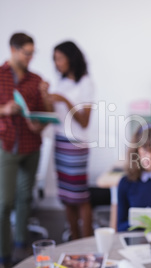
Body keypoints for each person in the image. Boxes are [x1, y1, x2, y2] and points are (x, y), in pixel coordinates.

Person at [0, 33, 49, 267]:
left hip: (31, 145)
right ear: (13, 50)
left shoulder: (36, 79)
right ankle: (4, 253)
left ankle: (21, 245)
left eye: (32, 53)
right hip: (6, 145)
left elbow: (44, 113)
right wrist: (4, 110)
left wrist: (40, 118)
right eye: (26, 53)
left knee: (25, 198)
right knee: (4, 202)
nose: (30, 57)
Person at [47, 41, 95, 240]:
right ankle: (74, 240)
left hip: (76, 144)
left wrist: (65, 100)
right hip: (60, 142)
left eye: (60, 58)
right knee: (67, 197)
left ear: (71, 57)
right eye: (54, 59)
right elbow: (53, 114)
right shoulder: (61, 82)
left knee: (80, 196)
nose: (57, 63)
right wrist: (45, 96)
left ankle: (86, 240)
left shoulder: (85, 83)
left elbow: (84, 121)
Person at [117, 124, 151, 232]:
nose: (149, 156)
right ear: (137, 149)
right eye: (144, 149)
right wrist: (141, 223)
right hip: (134, 242)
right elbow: (120, 226)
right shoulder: (126, 182)